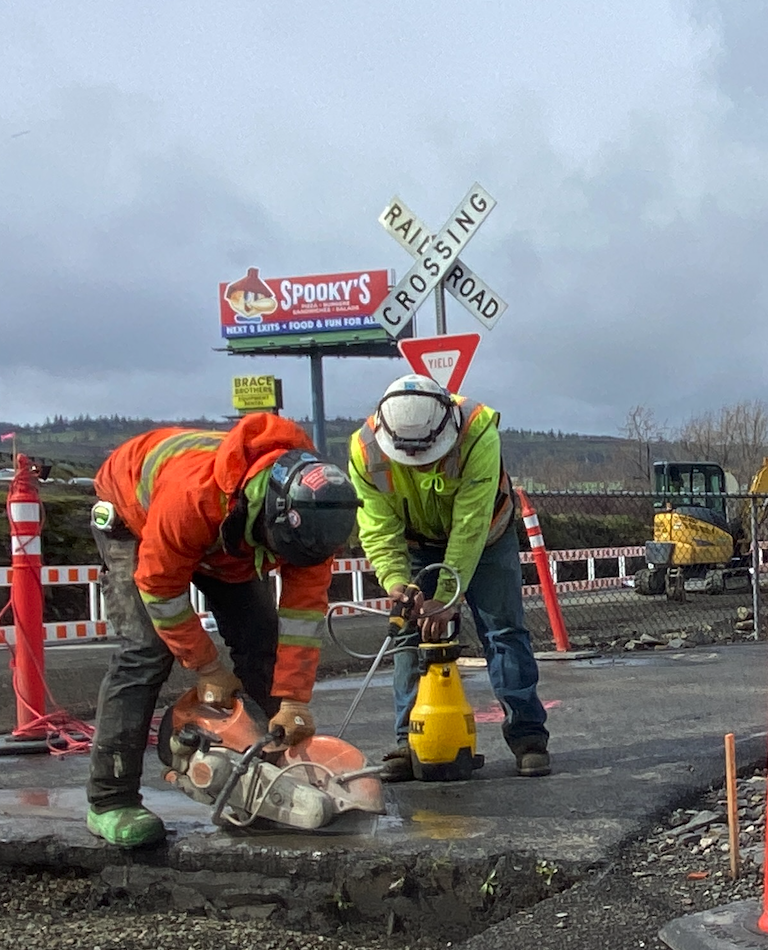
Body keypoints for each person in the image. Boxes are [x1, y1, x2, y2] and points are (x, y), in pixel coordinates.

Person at [86, 413, 361, 848]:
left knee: (262, 640)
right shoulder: (192, 496)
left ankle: (274, 775)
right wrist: (208, 668)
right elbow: (159, 588)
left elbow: (301, 620)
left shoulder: (314, 521)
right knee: (145, 652)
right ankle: (110, 799)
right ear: (270, 515)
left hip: (228, 537)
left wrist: (293, 700)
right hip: (134, 519)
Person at [348, 374, 550, 782]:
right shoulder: (365, 450)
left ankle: (528, 737)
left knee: (503, 631)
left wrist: (446, 596)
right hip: (416, 541)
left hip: (487, 536)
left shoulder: (478, 433)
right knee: (408, 634)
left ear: (446, 427)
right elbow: (377, 525)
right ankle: (411, 742)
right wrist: (396, 582)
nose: (419, 463)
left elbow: (470, 523)